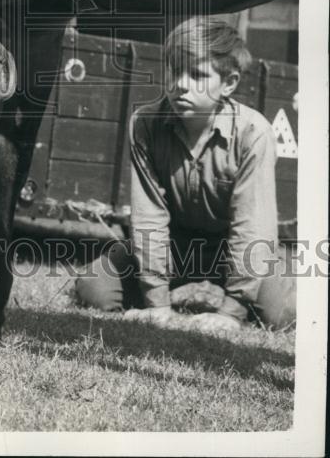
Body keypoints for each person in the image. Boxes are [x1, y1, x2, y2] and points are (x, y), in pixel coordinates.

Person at [75, 18, 295, 333]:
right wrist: (157, 303)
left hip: (230, 246)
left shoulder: (253, 132)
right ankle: (169, 290)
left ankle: (267, 282)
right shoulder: (145, 124)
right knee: (94, 288)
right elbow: (148, 216)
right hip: (175, 245)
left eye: (197, 75)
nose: (180, 83)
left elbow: (252, 225)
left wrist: (232, 312)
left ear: (229, 83)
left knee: (286, 313)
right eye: (175, 71)